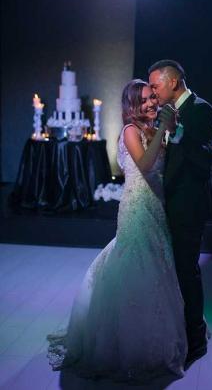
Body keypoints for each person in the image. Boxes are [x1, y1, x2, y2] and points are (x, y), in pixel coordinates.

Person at [47, 79, 187, 384]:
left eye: (154, 98)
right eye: (146, 100)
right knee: (136, 264)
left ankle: (154, 334)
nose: (152, 104)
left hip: (157, 206)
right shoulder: (130, 131)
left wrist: (171, 130)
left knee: (157, 266)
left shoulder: (151, 128)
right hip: (137, 206)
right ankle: (126, 342)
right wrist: (163, 130)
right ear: (133, 106)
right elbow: (147, 165)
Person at [148, 60, 212, 369]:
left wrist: (178, 131)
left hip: (189, 206)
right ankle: (174, 331)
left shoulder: (203, 110)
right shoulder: (162, 113)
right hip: (166, 204)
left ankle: (196, 340)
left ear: (173, 82)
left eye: (155, 85)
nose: (152, 92)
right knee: (171, 271)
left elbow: (205, 159)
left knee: (186, 272)